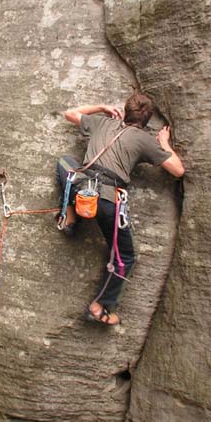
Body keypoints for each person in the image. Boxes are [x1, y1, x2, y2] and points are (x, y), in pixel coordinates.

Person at [57, 92, 184, 326]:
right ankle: (100, 307)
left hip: (82, 189)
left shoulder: (103, 122)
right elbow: (178, 170)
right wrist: (164, 143)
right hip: (107, 202)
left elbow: (70, 114)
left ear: (124, 112)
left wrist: (101, 107)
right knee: (125, 256)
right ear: (146, 120)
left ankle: (71, 214)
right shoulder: (145, 140)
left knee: (65, 163)